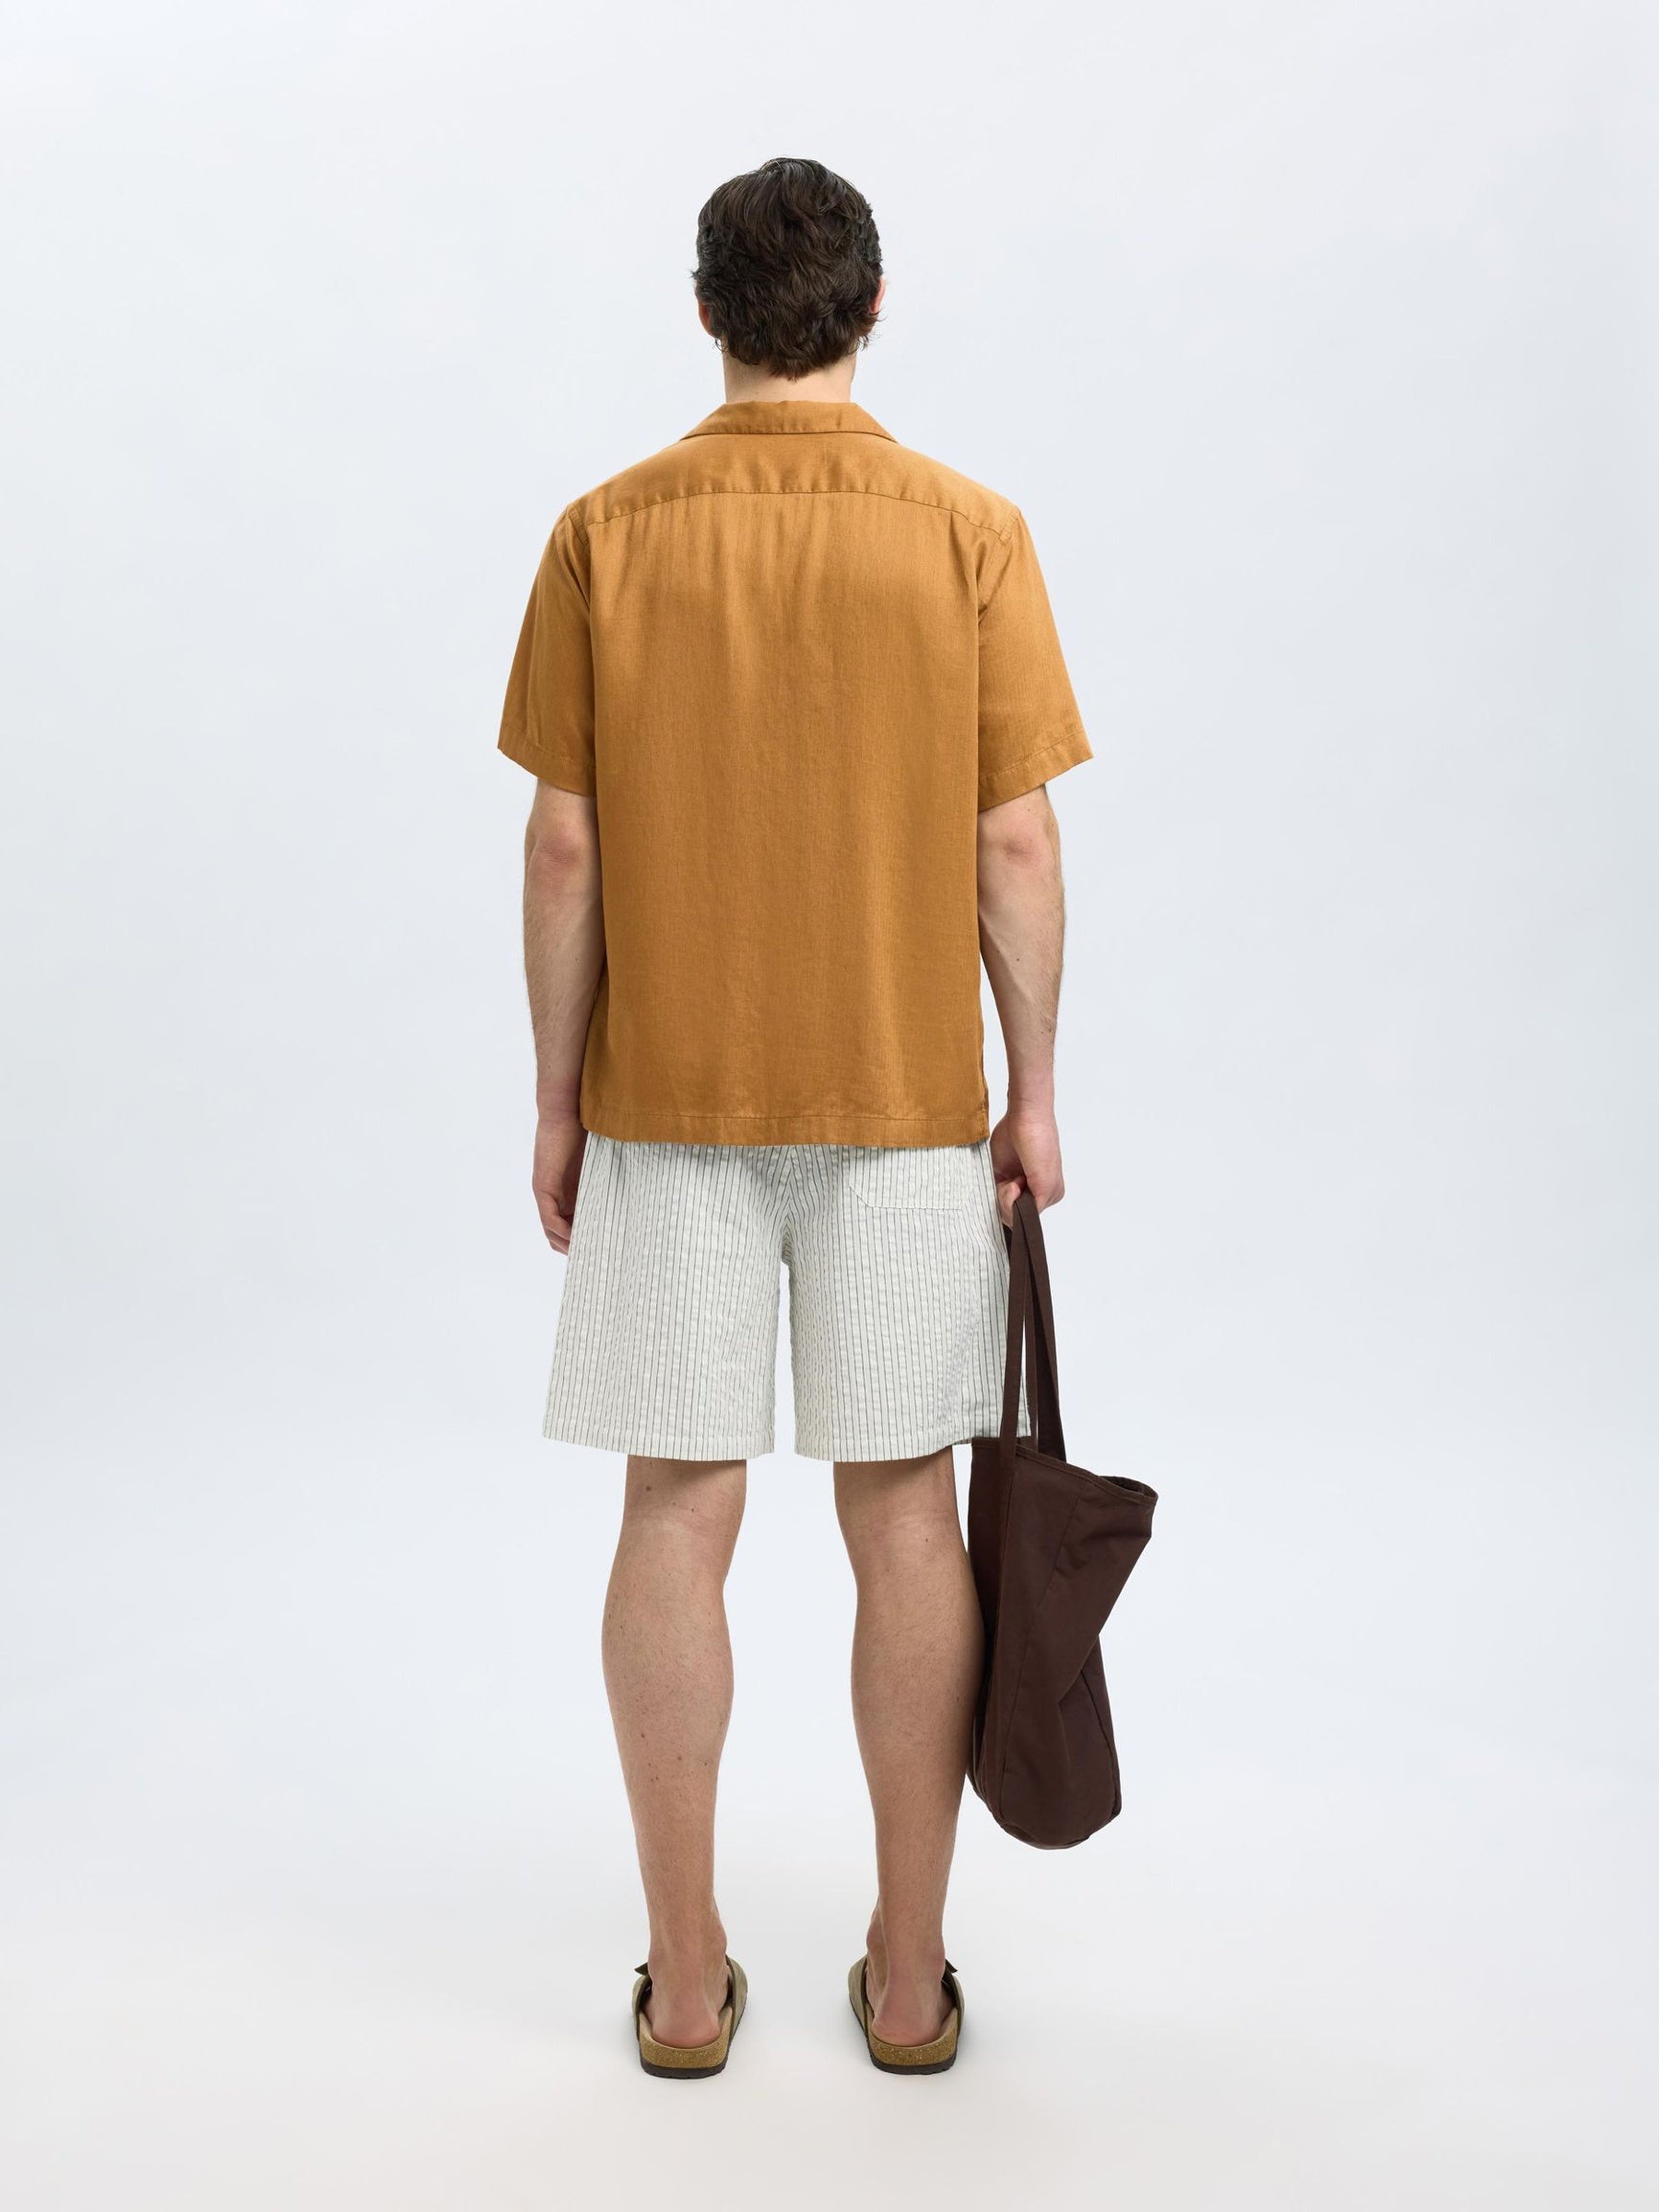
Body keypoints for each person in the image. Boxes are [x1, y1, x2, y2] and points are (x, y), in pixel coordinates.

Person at [497, 156, 1089, 2077]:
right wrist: (1034, 1089)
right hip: (904, 1103)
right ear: (873, 306)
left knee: (675, 1508)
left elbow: (566, 845)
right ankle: (908, 1982)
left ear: (706, 314)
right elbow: (1014, 841)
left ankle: (682, 1985)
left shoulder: (605, 533)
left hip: (668, 1099)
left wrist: (558, 1093)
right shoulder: (968, 532)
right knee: (904, 1517)